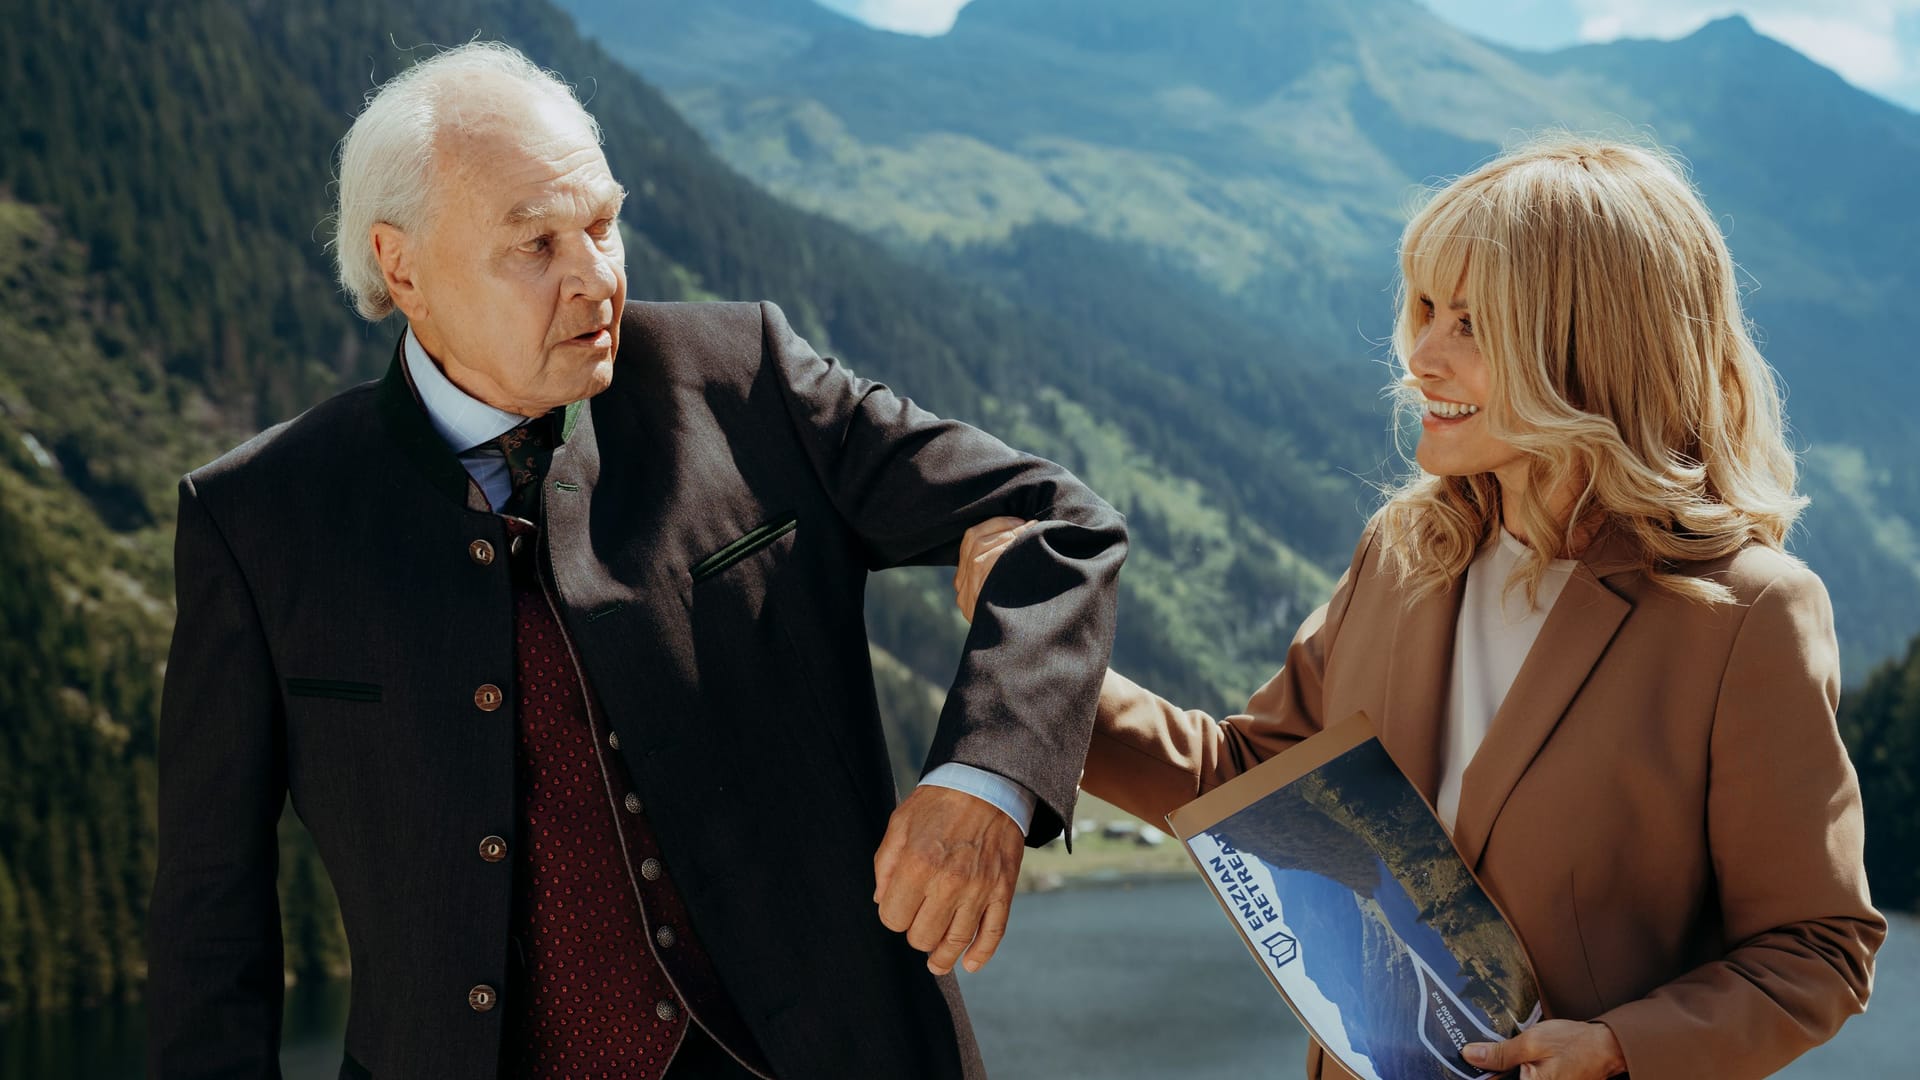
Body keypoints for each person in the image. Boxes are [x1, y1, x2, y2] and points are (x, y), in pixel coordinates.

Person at [146, 42, 1125, 1080]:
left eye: (604, 227)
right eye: (536, 245)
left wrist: (985, 779)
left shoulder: (746, 379)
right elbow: (213, 916)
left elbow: (1059, 519)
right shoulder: (258, 519)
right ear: (402, 267)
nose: (594, 279)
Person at [953, 138, 1883, 1080]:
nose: (1421, 358)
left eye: (1473, 325)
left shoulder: (1746, 615)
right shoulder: (1405, 557)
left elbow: (1818, 946)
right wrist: (1039, 658)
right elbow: (1250, 779)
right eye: (1427, 310)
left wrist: (1620, 1049)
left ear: (1591, 348)